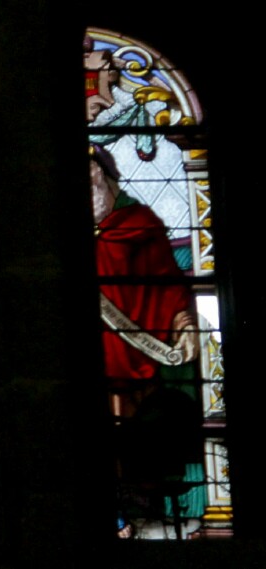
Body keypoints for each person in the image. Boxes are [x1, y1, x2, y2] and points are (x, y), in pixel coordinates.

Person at [93, 145, 205, 539]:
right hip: (94, 358)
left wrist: (182, 319)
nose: (90, 194)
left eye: (94, 183)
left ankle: (139, 504)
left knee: (137, 425)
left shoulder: (139, 224)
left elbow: (168, 281)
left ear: (111, 183)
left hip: (136, 352)